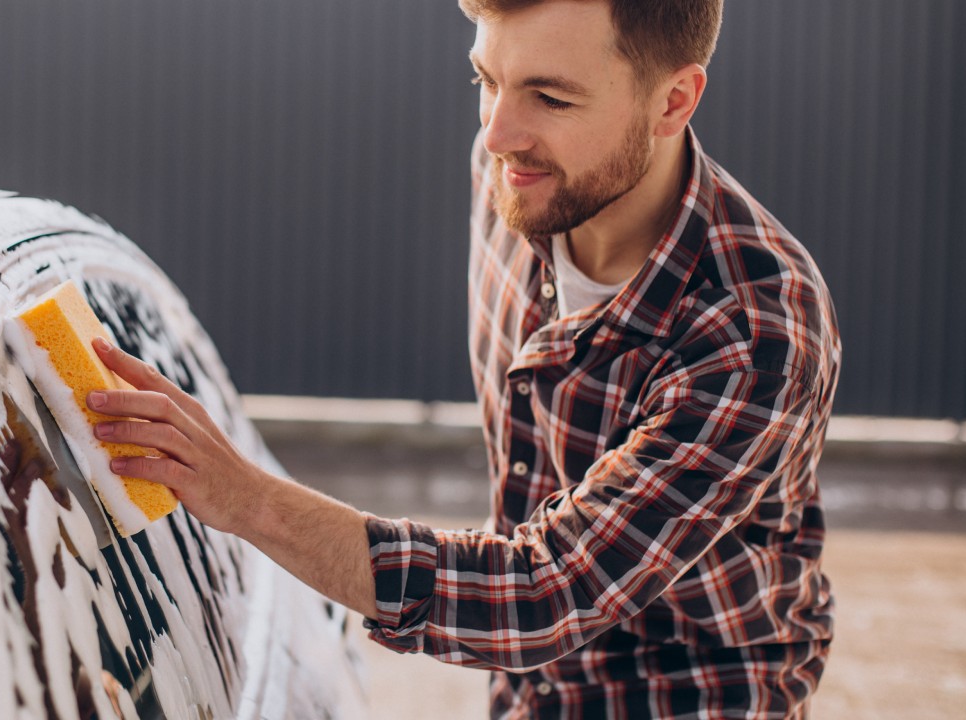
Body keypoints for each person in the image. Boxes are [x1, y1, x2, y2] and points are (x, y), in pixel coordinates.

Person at [83, 0, 841, 716]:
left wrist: (249, 500)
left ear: (673, 102)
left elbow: (544, 590)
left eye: (551, 97)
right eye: (487, 80)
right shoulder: (521, 179)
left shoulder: (755, 329)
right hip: (524, 689)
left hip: (691, 694)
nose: (497, 131)